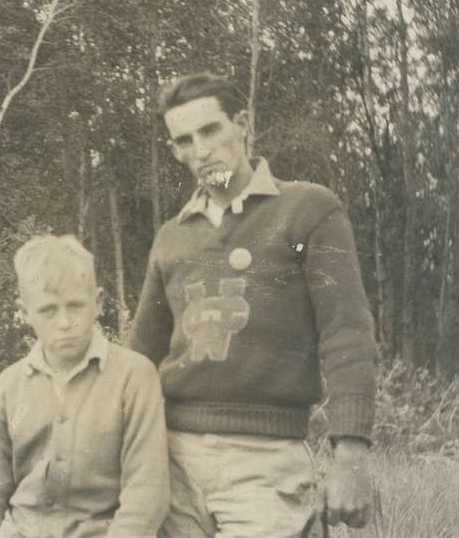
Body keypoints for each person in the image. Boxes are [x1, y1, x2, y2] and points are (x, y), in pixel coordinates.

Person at [128, 73, 378, 537]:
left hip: (266, 462)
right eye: (185, 140)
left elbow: (347, 334)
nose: (201, 150)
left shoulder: (307, 211)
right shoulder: (171, 237)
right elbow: (139, 358)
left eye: (211, 130)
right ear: (175, 151)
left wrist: (351, 456)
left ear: (242, 124)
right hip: (171, 461)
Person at [0, 234, 169, 538]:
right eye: (48, 310)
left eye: (75, 306)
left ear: (98, 303)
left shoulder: (135, 377)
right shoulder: (6, 389)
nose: (64, 322)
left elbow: (146, 495)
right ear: (24, 313)